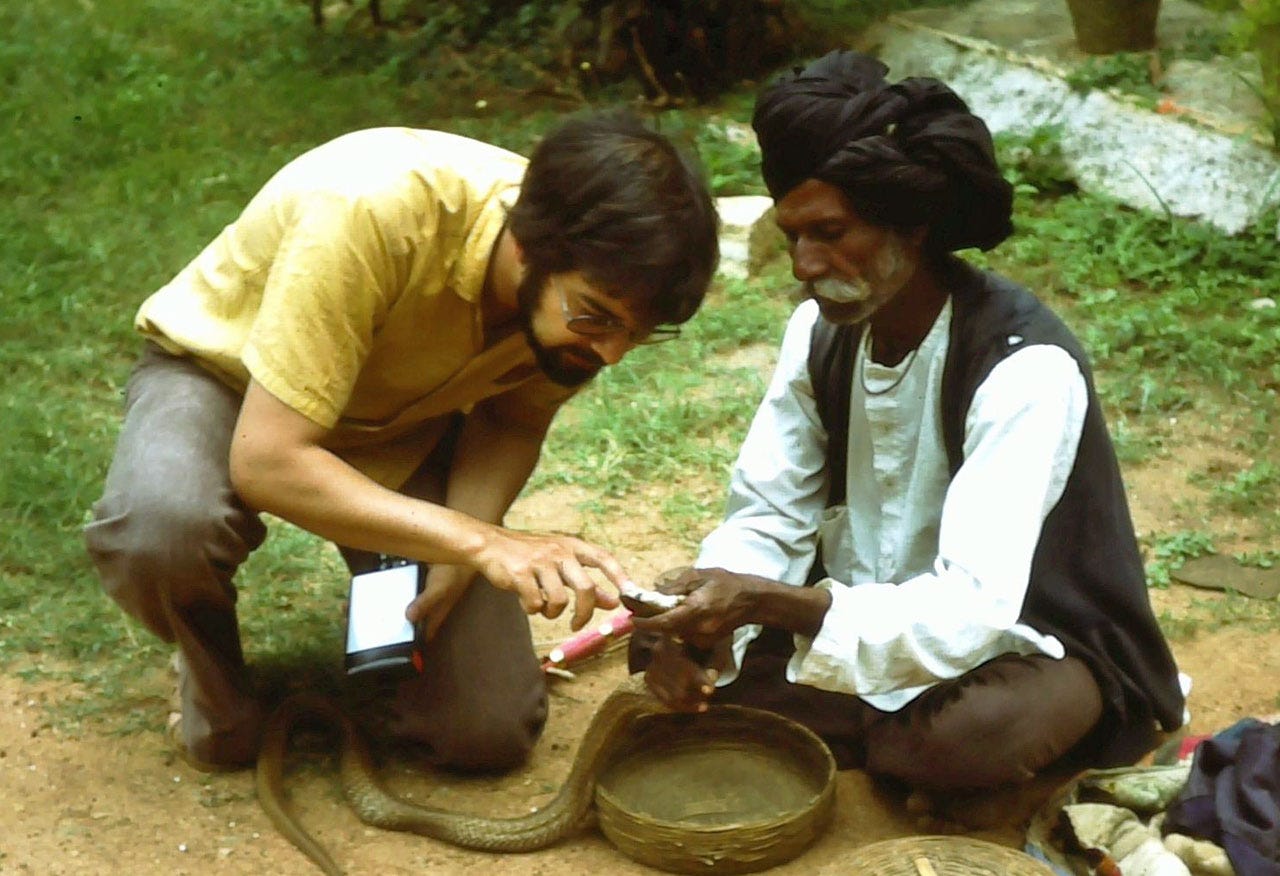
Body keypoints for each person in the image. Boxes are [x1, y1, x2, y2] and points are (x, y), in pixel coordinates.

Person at [84, 111, 719, 773]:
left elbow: (511, 420)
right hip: (231, 384)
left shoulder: (582, 290)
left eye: (636, 334)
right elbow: (269, 462)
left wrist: (452, 567)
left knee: (485, 731)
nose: (612, 354)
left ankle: (385, 669)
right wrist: (480, 541)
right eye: (595, 318)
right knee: (161, 526)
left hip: (401, 417)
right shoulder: (369, 208)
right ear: (527, 248)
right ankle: (211, 679)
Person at [630, 50, 1185, 797]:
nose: (803, 263)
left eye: (829, 232)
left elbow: (971, 608)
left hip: (1028, 640)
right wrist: (699, 616)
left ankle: (889, 731)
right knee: (674, 652)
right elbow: (768, 514)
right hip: (861, 612)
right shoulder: (817, 335)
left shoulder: (1022, 368)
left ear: (912, 225)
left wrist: (763, 606)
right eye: (793, 235)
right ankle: (876, 726)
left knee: (962, 742)